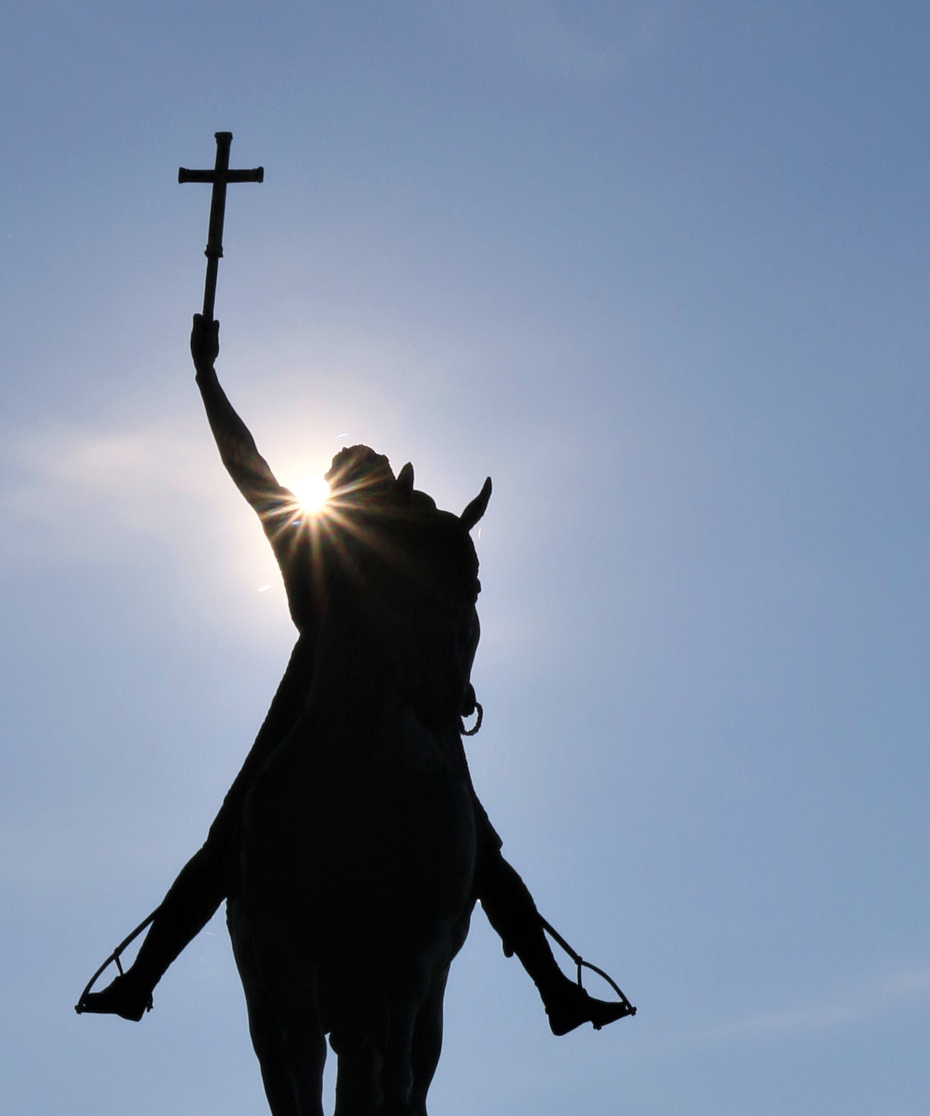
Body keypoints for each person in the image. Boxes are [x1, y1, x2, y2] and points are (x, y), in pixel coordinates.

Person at [80, 316, 626, 1035]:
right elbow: (249, 467)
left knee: (239, 844)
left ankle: (142, 979)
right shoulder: (340, 547)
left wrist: (206, 376)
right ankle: (555, 988)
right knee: (474, 854)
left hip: (346, 709)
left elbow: (252, 471)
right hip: (323, 703)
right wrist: (208, 378)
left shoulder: (347, 547)